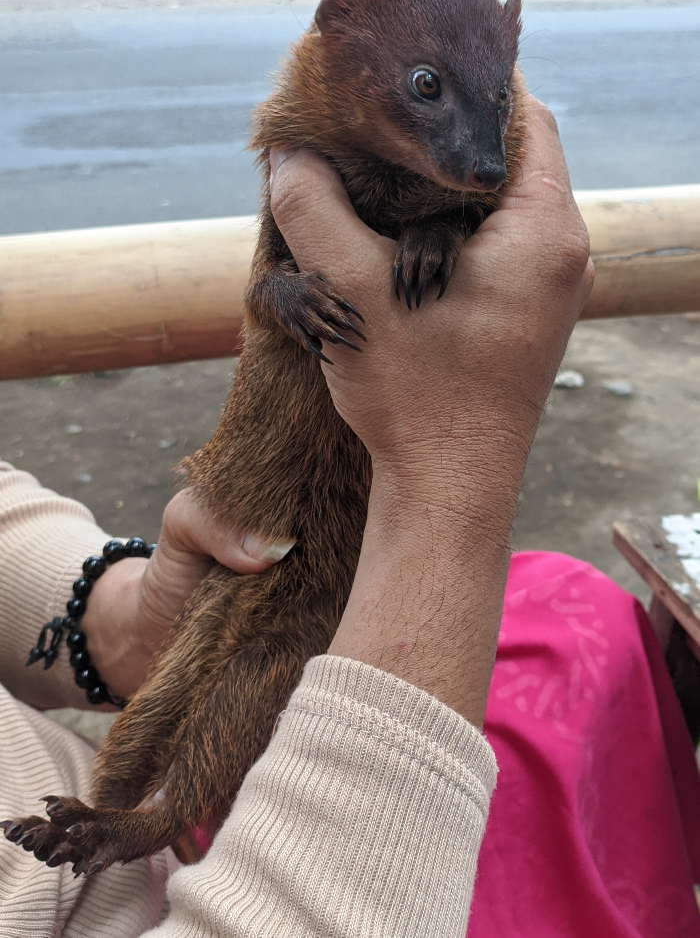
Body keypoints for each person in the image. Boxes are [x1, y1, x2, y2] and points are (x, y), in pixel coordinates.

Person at [0, 96, 677, 937]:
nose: (475, 153)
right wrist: (453, 479)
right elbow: (266, 288)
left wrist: (114, 614)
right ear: (337, 34)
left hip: (301, 556)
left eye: (489, 104)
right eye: (425, 90)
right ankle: (127, 820)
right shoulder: (308, 142)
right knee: (202, 690)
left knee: (226, 669)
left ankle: (141, 817)